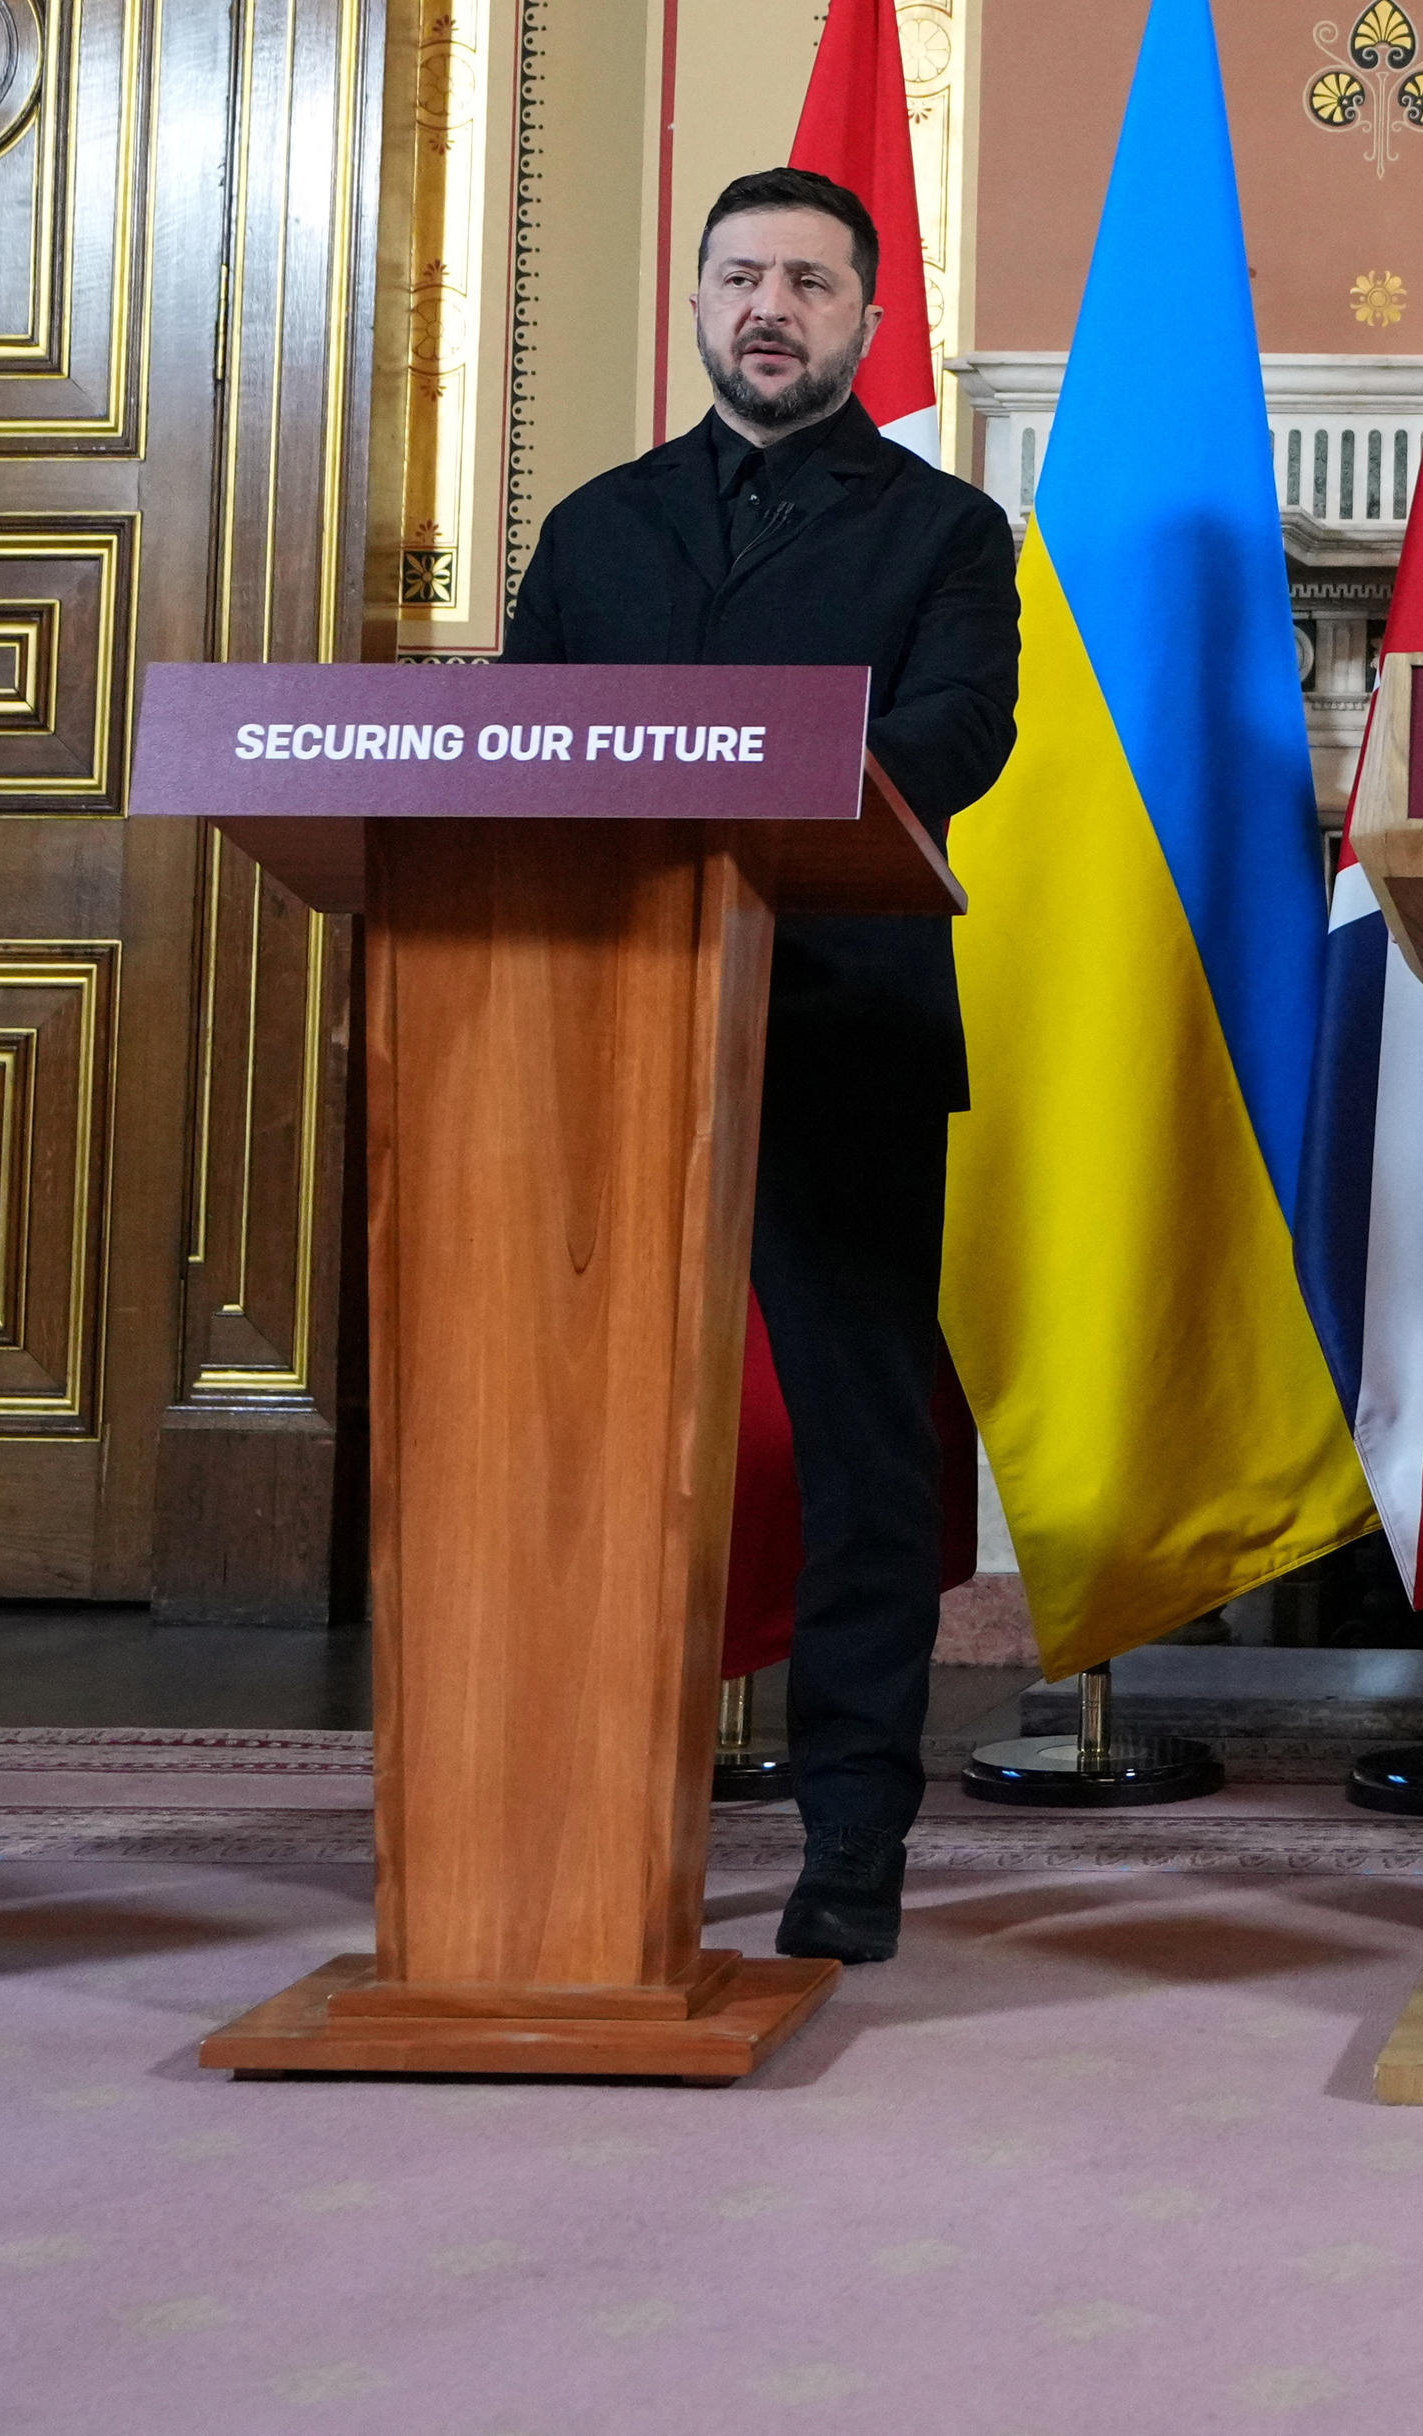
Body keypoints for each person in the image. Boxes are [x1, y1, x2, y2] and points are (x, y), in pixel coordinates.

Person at [502, 165, 1020, 1963]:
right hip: (609, 1032)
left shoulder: (946, 532)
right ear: (700, 303)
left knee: (866, 1457)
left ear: (869, 321)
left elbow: (962, 733)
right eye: (739, 276)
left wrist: (756, 759)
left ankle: (852, 1835)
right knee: (584, 1430)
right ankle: (566, 1794)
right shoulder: (599, 525)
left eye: (808, 279)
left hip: (843, 1034)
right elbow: (518, 748)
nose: (769, 307)